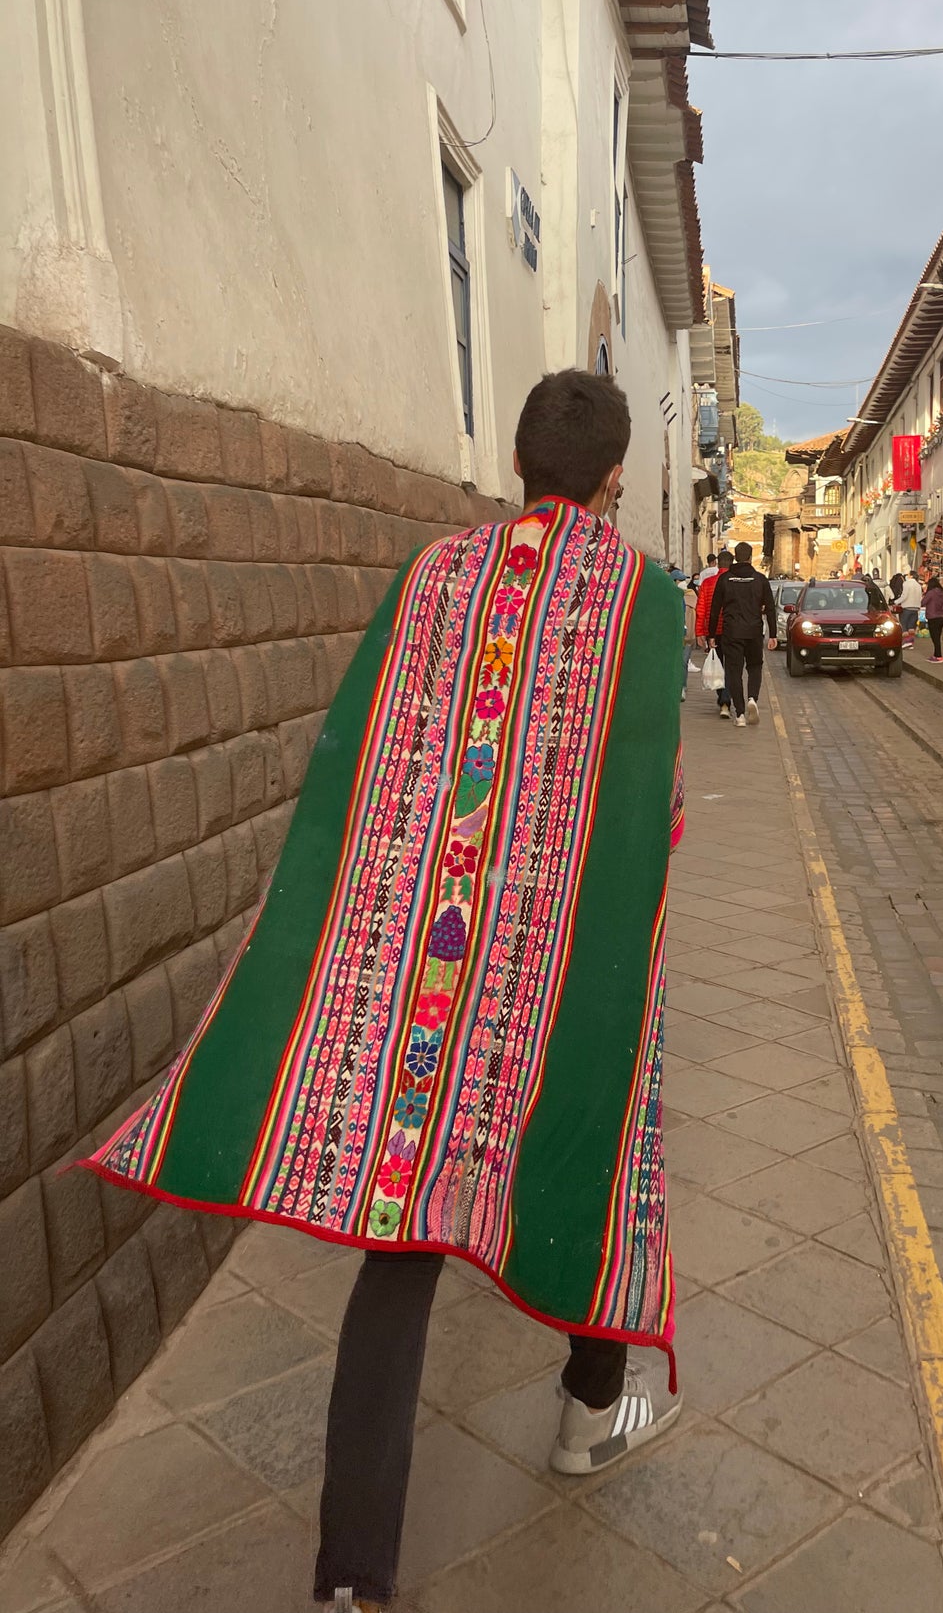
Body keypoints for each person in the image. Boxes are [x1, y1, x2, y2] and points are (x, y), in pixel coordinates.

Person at [84, 370, 686, 1613]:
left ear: (518, 462)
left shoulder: (430, 579)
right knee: (586, 1136)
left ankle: (351, 1580)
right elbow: (644, 797)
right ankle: (585, 1410)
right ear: (615, 474)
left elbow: (361, 760)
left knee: (401, 1231)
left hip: (416, 961)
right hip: (550, 951)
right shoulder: (642, 600)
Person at [709, 539, 777, 726]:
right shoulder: (760, 580)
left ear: (735, 558)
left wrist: (711, 635)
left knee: (734, 671)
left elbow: (715, 609)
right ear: (750, 557)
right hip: (754, 631)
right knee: (754, 667)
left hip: (731, 632)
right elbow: (771, 608)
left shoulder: (725, 579)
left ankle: (739, 714)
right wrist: (773, 635)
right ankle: (752, 698)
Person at [695, 547, 731, 716]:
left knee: (718, 664)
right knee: (731, 665)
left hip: (712, 631)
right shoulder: (733, 582)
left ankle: (723, 697)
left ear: (717, 564)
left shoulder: (707, 583)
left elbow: (700, 609)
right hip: (731, 629)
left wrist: (699, 632)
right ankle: (725, 700)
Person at [922, 574, 943, 662]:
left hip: (932, 618)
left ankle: (939, 656)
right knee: (937, 637)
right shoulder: (942, 593)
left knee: (935, 638)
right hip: (940, 618)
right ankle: (936, 655)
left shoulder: (931, 593)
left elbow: (923, 602)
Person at [898, 566, 923, 644]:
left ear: (911, 576)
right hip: (915, 608)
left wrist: (896, 602)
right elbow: (920, 597)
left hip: (906, 608)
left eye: (908, 575)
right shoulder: (919, 585)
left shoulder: (906, 583)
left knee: (904, 626)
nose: (906, 576)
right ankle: (911, 643)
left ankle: (906, 643)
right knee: (911, 627)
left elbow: (904, 596)